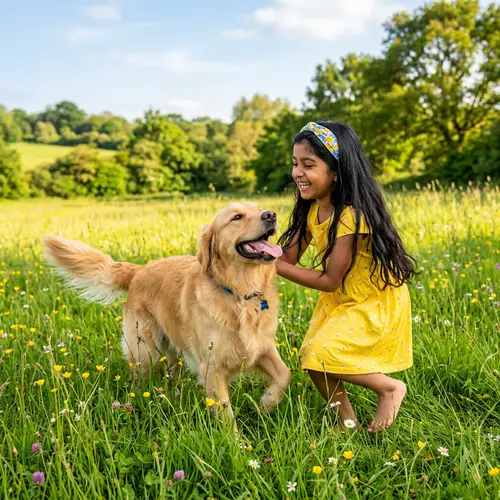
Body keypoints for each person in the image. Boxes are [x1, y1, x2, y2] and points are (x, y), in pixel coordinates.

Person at [275, 120, 416, 432]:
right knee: (313, 359)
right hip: (343, 300)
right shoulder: (311, 209)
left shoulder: (351, 216)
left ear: (336, 172)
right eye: (296, 163)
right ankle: (346, 422)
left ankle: (389, 388)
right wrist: (257, 252)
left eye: (308, 165)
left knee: (321, 354)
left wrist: (277, 266)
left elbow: (329, 279)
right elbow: (287, 257)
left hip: (370, 300)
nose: (298, 172)